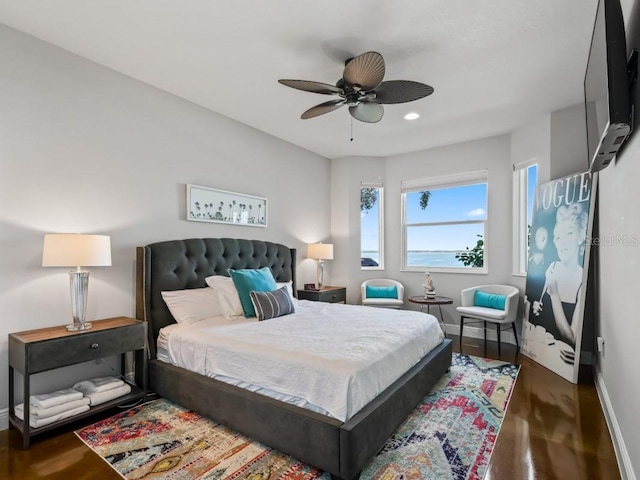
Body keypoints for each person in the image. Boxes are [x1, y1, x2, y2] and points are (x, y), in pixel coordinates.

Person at [532, 203, 588, 349]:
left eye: (569, 233)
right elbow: (542, 305)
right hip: (542, 351)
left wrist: (555, 295)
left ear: (581, 236)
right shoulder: (552, 268)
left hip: (564, 363)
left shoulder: (583, 281)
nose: (562, 241)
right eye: (558, 236)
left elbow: (572, 339)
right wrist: (537, 308)